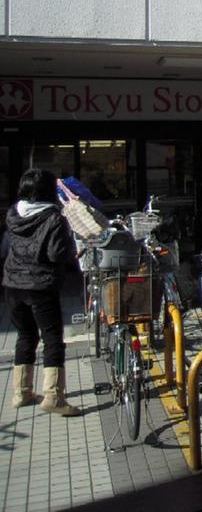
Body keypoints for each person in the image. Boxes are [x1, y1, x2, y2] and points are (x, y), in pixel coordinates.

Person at [2, 168, 81, 415]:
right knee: (52, 339)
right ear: (49, 191)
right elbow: (55, 254)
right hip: (41, 286)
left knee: (25, 336)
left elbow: (7, 247)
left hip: (12, 284)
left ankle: (21, 392)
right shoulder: (54, 218)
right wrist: (71, 249)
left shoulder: (13, 213)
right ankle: (54, 397)